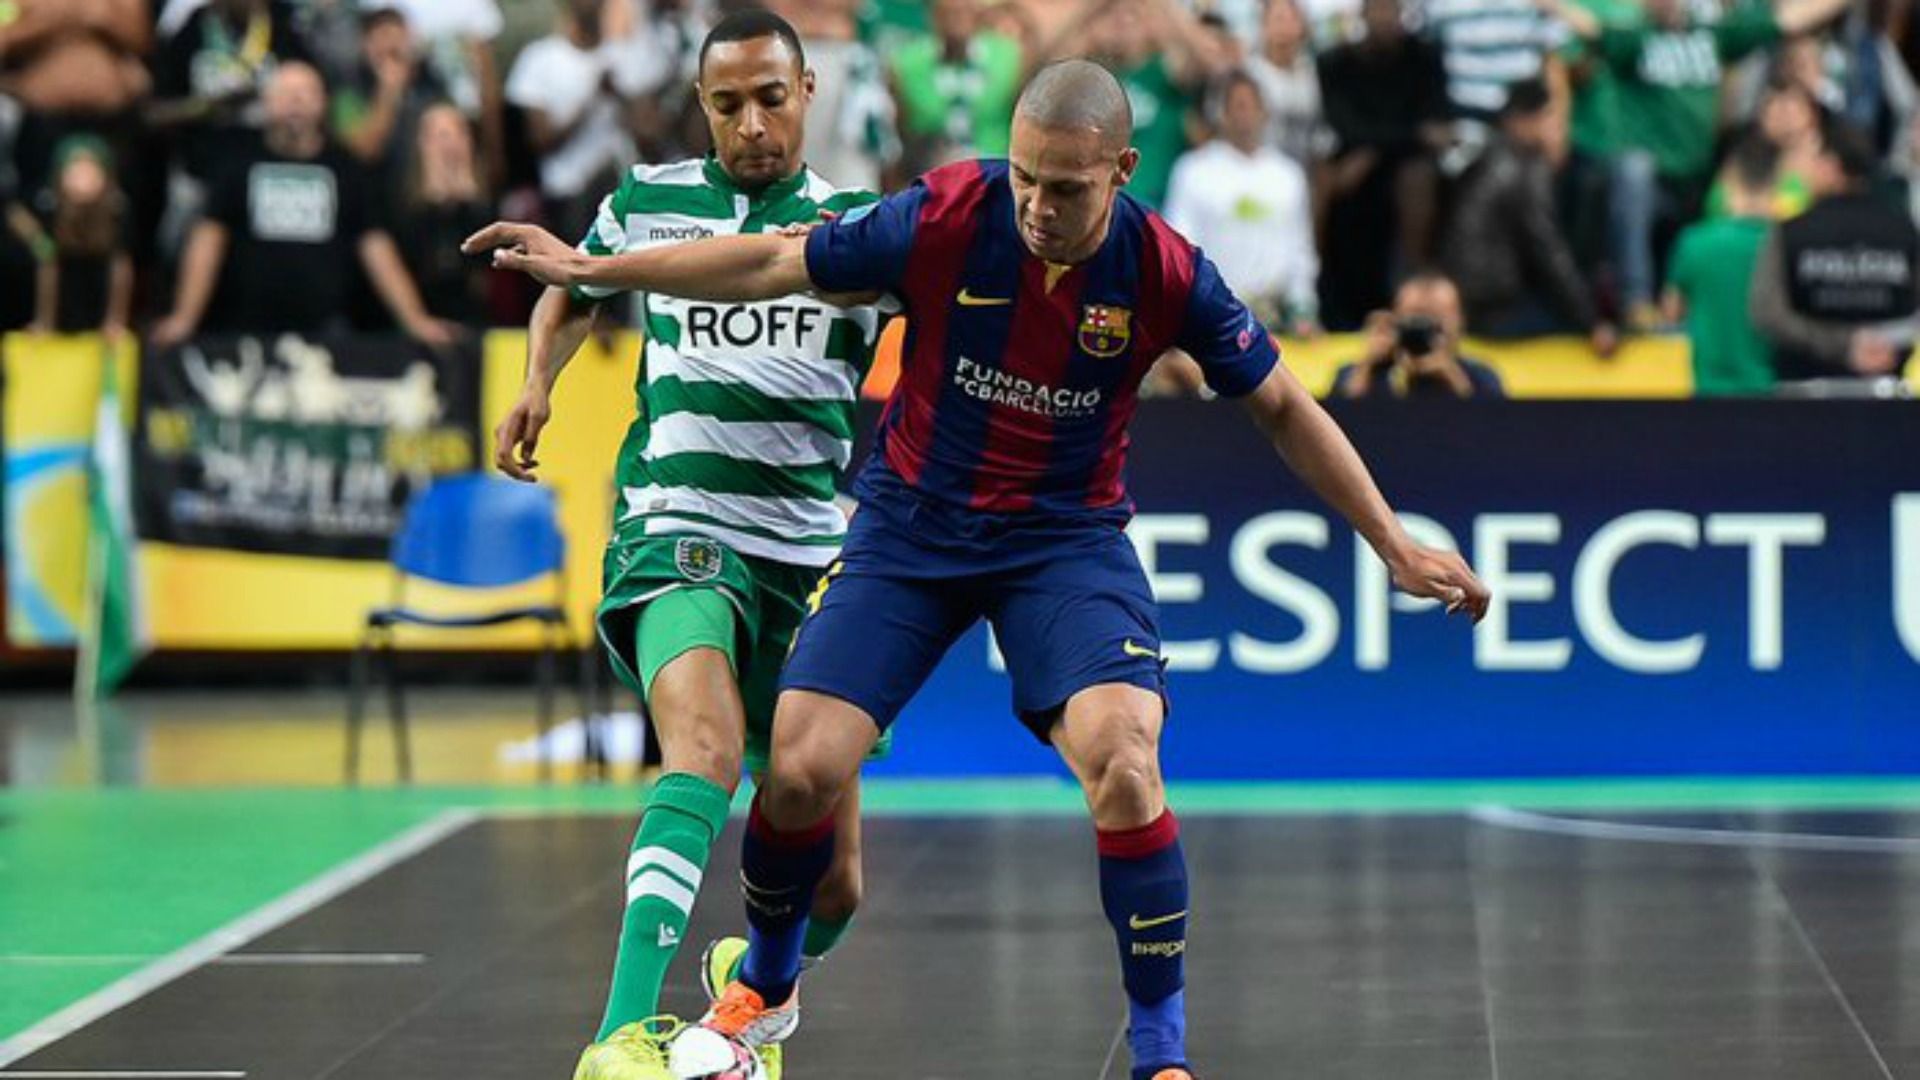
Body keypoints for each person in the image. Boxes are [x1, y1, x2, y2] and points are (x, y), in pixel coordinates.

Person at [468, 58, 1490, 1080]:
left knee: (1127, 764)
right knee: (801, 768)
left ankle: (1162, 1055)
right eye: (1027, 180)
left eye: (1069, 188)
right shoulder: (948, 213)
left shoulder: (1166, 269)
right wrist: (606, 274)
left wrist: (1390, 541)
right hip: (911, 531)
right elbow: (774, 262)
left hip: (1063, 540)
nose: (1040, 207)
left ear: (1124, 171)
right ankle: (768, 988)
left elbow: (1280, 404)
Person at [485, 12, 891, 1080]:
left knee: (837, 890)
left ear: (809, 92)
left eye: (770, 98)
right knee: (702, 751)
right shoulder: (645, 199)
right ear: (701, 105)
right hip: (679, 529)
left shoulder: (860, 228)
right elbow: (576, 290)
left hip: (809, 565)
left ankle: (744, 982)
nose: (751, 124)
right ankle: (619, 1035)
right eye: (727, 104)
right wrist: (539, 380)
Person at [150, 61, 452, 346]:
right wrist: (184, 318)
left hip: (328, 334)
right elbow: (209, 239)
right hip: (246, 331)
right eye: (285, 93)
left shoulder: (345, 168)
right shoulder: (237, 163)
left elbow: (376, 246)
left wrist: (415, 320)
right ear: (266, 103)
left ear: (323, 103)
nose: (296, 101)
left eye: (305, 93)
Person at [1440, 77, 1613, 348]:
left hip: (1465, 299)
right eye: (1549, 117)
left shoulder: (1486, 154)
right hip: (1496, 309)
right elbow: (1548, 249)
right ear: (1524, 120)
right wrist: (1590, 322)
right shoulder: (1527, 165)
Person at [1750, 120, 1920, 383]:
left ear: (1832, 165)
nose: (1803, 168)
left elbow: (1766, 311)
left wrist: (1844, 345)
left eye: (1813, 157)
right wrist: (1882, 343)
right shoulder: (1905, 230)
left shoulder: (1790, 233)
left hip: (1803, 392)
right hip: (1886, 392)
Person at [1316, 0, 1451, 327]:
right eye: (1376, 9)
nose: (1384, 17)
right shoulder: (1336, 61)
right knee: (1333, 181)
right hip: (1356, 172)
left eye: (1390, 8)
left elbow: (1435, 124)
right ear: (1362, 14)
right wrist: (1407, 135)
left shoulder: (1424, 57)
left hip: (1403, 166)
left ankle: (1414, 281)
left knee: (1416, 177)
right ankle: (1323, 295)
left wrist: (1373, 150)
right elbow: (1344, 125)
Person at [1164, 69, 1319, 334]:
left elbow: (1300, 249)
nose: (1244, 115)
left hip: (1276, 317)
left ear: (1265, 112)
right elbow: (1180, 246)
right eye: (1237, 106)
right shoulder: (1193, 171)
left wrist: (1304, 307)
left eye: (1251, 106)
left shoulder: (1288, 175)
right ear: (1221, 114)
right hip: (1214, 315)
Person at [1665, 136, 1778, 396]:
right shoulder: (1782, 247)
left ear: (1728, 182)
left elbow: (1672, 312)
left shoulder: (1693, 243)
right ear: (1774, 185)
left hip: (1708, 393)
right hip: (1767, 393)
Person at [1332, 271, 1507, 398]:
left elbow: (1493, 429)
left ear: (1460, 321)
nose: (1423, 329)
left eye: (1435, 319)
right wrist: (1366, 367)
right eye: (1414, 319)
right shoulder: (1359, 373)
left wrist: (1453, 381)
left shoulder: (1481, 377)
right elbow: (1335, 429)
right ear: (1393, 319)